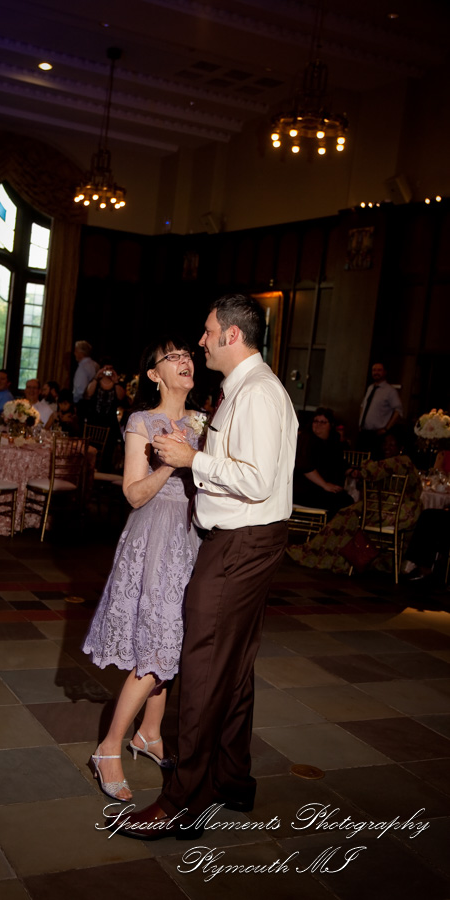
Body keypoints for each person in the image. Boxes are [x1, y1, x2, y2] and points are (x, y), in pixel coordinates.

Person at [115, 293, 298, 838]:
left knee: (202, 667)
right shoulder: (245, 389)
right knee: (233, 668)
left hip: (240, 542)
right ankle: (230, 779)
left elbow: (257, 479)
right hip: (247, 539)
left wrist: (192, 458)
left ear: (231, 336)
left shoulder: (257, 393)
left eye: (207, 332)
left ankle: (182, 801)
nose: (200, 342)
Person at [82, 336, 202, 802]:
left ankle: (149, 733)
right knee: (158, 642)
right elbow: (133, 494)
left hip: (193, 537)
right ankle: (108, 747)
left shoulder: (203, 421)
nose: (185, 360)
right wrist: (170, 463)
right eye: (173, 357)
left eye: (187, 354)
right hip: (155, 538)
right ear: (154, 375)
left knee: (175, 640)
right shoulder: (141, 421)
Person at [288, 430, 421, 574]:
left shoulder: (402, 461)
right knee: (347, 514)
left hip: (397, 511)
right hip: (387, 508)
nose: (386, 447)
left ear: (400, 447)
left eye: (391, 444)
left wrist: (364, 466)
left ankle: (320, 554)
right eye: (385, 444)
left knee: (347, 516)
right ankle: (328, 555)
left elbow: (369, 472)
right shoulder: (394, 462)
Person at [293, 407, 352, 517]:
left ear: (331, 425)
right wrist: (325, 485)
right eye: (316, 421)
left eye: (323, 422)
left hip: (319, 487)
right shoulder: (306, 438)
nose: (318, 425)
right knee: (342, 502)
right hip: (305, 488)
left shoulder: (332, 441)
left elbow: (338, 462)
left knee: (346, 500)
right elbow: (305, 466)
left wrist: (351, 471)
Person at [84, 359, 129, 470]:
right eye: (105, 369)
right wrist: (97, 377)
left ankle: (104, 470)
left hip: (110, 423)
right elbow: (89, 393)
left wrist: (115, 380)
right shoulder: (96, 382)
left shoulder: (117, 384)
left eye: (110, 369)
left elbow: (121, 397)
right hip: (94, 421)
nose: (108, 371)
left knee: (108, 450)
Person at [358, 362, 402, 457]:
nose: (376, 372)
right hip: (364, 432)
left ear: (384, 372)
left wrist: (386, 429)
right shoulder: (370, 388)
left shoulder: (390, 391)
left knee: (375, 459)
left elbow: (398, 411)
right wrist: (360, 423)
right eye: (374, 370)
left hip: (378, 434)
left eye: (379, 370)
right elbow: (363, 406)